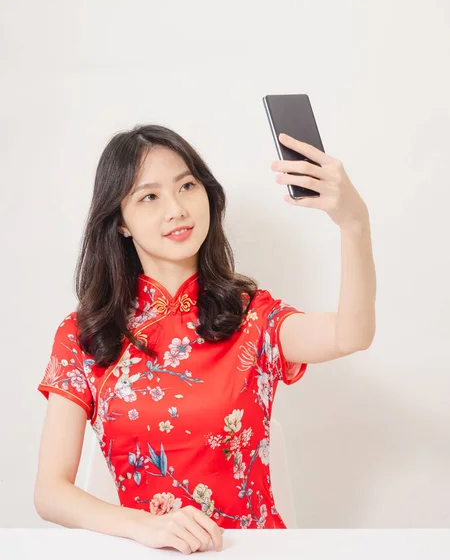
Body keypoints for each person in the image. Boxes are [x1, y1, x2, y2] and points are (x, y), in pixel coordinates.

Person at [34, 124, 375, 554]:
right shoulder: (86, 335)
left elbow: (351, 334)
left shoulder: (252, 316)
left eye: (187, 186)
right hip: (149, 550)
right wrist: (144, 527)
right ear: (120, 221)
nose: (176, 209)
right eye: (150, 196)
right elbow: (50, 492)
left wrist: (354, 224)